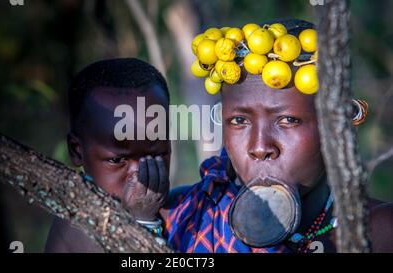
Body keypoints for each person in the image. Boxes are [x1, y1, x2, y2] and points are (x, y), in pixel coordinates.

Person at [162, 19, 393, 253]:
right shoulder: (183, 216)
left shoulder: (380, 233)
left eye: (288, 120)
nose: (260, 147)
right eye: (239, 121)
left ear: (335, 127)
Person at [45, 58, 171, 252]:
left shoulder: (175, 207)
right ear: (77, 151)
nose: (139, 176)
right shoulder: (78, 225)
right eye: (116, 160)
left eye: (157, 155)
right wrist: (142, 223)